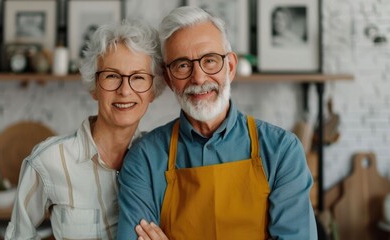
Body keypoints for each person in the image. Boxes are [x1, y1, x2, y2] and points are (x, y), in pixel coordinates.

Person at [118, 6, 317, 239]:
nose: (199, 78)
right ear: (170, 79)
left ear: (230, 67)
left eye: (210, 61)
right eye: (183, 65)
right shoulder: (144, 159)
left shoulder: (282, 151)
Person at [4, 20, 167, 240]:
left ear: (153, 91)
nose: (125, 90)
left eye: (138, 77)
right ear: (94, 88)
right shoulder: (48, 160)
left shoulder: (161, 159)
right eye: (112, 76)